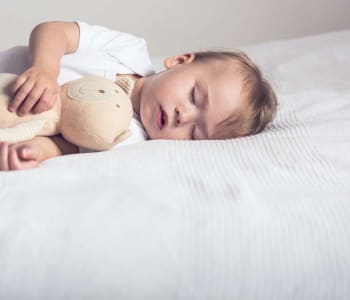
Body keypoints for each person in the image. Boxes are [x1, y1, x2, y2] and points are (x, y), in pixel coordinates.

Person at [0, 21, 277, 171]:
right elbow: (54, 30)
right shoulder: (129, 49)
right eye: (194, 96)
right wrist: (45, 68)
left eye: (195, 133)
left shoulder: (130, 138)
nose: (184, 116)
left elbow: (67, 145)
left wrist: (33, 152)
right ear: (179, 60)